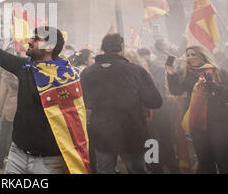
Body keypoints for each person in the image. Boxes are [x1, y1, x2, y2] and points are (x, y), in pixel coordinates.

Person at [0, 2, 89, 174]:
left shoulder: (69, 78)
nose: (29, 41)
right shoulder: (25, 67)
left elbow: (75, 122)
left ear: (49, 46)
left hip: (49, 162)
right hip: (17, 155)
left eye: (35, 38)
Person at [80, 33, 162, 174]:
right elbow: (155, 101)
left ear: (102, 48)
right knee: (137, 171)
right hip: (131, 131)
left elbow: (84, 102)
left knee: (104, 171)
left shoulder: (88, 72)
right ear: (122, 47)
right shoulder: (135, 70)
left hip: (101, 134)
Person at [166, 46, 228, 174]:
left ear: (202, 55)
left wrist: (217, 88)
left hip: (218, 122)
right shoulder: (186, 73)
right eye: (187, 55)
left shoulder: (219, 72)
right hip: (196, 123)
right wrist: (170, 73)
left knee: (222, 158)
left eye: (193, 54)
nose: (190, 57)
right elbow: (176, 91)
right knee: (204, 159)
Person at [138, 48, 180, 174]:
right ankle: (155, 169)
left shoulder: (158, 69)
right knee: (150, 143)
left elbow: (158, 90)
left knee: (166, 142)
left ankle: (173, 168)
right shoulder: (133, 70)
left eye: (143, 57)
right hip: (144, 114)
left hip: (160, 111)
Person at [0, 67, 18, 170]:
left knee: (4, 135)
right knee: (14, 136)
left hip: (8, 110)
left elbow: (1, 96)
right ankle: (13, 160)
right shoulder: (20, 75)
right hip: (19, 110)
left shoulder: (5, 78)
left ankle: (1, 160)